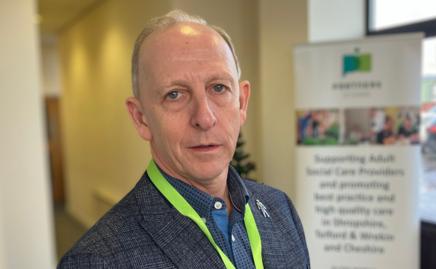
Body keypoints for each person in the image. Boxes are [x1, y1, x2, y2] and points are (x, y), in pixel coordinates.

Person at [58, 10, 310, 269]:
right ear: (141, 118)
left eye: (219, 88)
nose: (204, 118)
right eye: (175, 94)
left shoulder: (280, 209)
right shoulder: (96, 260)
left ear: (242, 101)